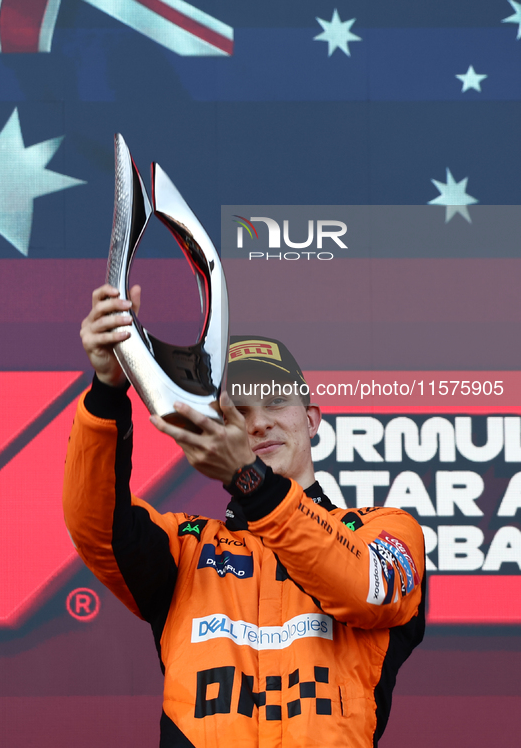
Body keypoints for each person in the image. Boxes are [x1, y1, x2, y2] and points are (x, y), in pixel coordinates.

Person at [64, 284, 425, 748]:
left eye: (276, 402)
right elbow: (96, 525)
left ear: (311, 419)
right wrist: (108, 390)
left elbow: (362, 590)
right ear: (220, 425)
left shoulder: (385, 529)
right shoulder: (188, 547)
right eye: (239, 409)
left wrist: (252, 482)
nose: (258, 423)